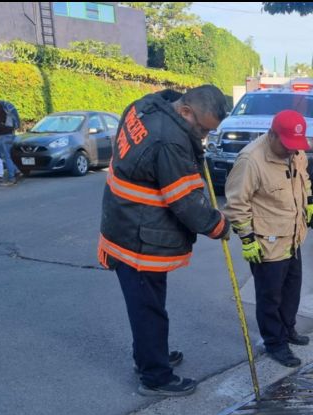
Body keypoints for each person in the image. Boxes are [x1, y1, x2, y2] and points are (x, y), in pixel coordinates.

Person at [98, 86, 231, 397]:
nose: (203, 137)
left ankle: (150, 353)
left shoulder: (147, 105)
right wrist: (218, 225)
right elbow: (185, 201)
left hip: (126, 223)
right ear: (185, 111)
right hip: (137, 238)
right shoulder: (168, 140)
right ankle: (155, 376)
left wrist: (194, 145)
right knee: (148, 310)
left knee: (149, 305)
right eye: (202, 129)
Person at [223, 110, 313, 368]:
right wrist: (247, 239)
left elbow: (303, 179)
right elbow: (236, 203)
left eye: (295, 146)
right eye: (287, 145)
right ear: (272, 135)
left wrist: (309, 202)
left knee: (291, 290)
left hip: (293, 237)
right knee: (270, 297)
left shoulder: (295, 151)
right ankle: (275, 343)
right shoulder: (251, 160)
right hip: (267, 242)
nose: (292, 151)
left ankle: (288, 330)